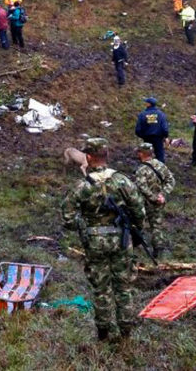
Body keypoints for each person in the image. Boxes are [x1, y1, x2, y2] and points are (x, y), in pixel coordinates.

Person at [61, 137, 145, 342]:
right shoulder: (122, 180)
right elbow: (139, 211)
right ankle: (125, 333)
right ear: (106, 156)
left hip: (94, 243)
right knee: (124, 287)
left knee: (101, 289)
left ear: (88, 157)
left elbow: (68, 218)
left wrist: (85, 227)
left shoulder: (82, 186)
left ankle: (103, 333)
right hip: (122, 241)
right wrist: (132, 227)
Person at [133, 142, 176, 260]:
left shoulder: (141, 170)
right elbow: (171, 180)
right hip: (159, 202)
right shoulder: (161, 165)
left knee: (138, 224)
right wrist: (162, 195)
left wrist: (153, 197)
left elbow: (142, 187)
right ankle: (159, 250)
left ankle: (137, 248)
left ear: (141, 154)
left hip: (145, 202)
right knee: (156, 226)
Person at [134, 97, 170, 163]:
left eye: (146, 102)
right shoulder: (161, 114)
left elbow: (138, 130)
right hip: (158, 138)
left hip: (147, 138)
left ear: (148, 104)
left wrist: (143, 136)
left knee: (145, 156)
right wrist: (165, 136)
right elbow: (165, 128)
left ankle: (146, 171)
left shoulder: (142, 114)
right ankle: (160, 171)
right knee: (160, 156)